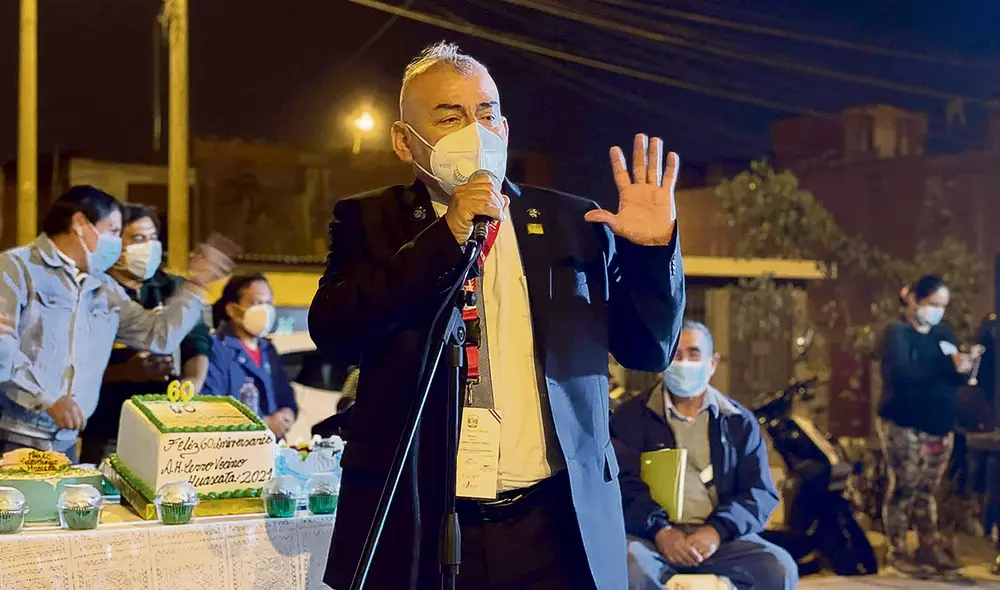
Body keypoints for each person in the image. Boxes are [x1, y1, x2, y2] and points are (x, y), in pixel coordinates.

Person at [309, 42, 685, 590]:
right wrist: (447, 235)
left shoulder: (570, 218)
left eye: (486, 113)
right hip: (423, 518)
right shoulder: (368, 220)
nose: (475, 131)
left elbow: (647, 349)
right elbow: (335, 331)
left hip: (555, 520)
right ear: (403, 141)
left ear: (505, 130)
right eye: (450, 116)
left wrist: (653, 254)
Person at [0, 186, 233, 461]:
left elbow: (156, 335)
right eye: (112, 231)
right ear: (79, 225)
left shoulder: (102, 286)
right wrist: (46, 398)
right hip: (13, 436)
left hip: (65, 443)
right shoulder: (17, 268)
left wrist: (195, 286)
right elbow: (4, 349)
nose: (116, 243)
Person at [612, 321, 797, 590]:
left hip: (720, 540)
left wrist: (716, 531)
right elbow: (622, 485)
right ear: (662, 362)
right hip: (650, 539)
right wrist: (660, 531)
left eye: (694, 353)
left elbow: (759, 492)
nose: (684, 362)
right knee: (629, 565)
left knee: (777, 567)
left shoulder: (738, 422)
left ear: (712, 363)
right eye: (676, 355)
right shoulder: (631, 418)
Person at [81, 204, 213, 463]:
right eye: (138, 238)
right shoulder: (96, 291)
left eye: (153, 238)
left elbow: (197, 340)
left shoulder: (172, 288)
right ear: (113, 243)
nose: (149, 246)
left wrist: (190, 384)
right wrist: (126, 372)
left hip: (166, 425)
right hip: (108, 426)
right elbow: (77, 364)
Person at [878, 274, 979, 576]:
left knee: (927, 489)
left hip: (940, 423)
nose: (937, 311)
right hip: (905, 422)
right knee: (905, 486)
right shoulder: (897, 333)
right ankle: (896, 549)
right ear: (914, 300)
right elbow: (901, 373)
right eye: (932, 304)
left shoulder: (943, 332)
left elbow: (953, 376)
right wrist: (945, 365)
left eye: (943, 306)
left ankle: (928, 545)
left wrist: (965, 366)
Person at [204, 274, 298, 440]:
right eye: (257, 303)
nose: (265, 310)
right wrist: (263, 423)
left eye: (268, 303)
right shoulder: (216, 348)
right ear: (232, 309)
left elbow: (286, 395)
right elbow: (209, 407)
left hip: (271, 449)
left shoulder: (268, 350)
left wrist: (288, 413)